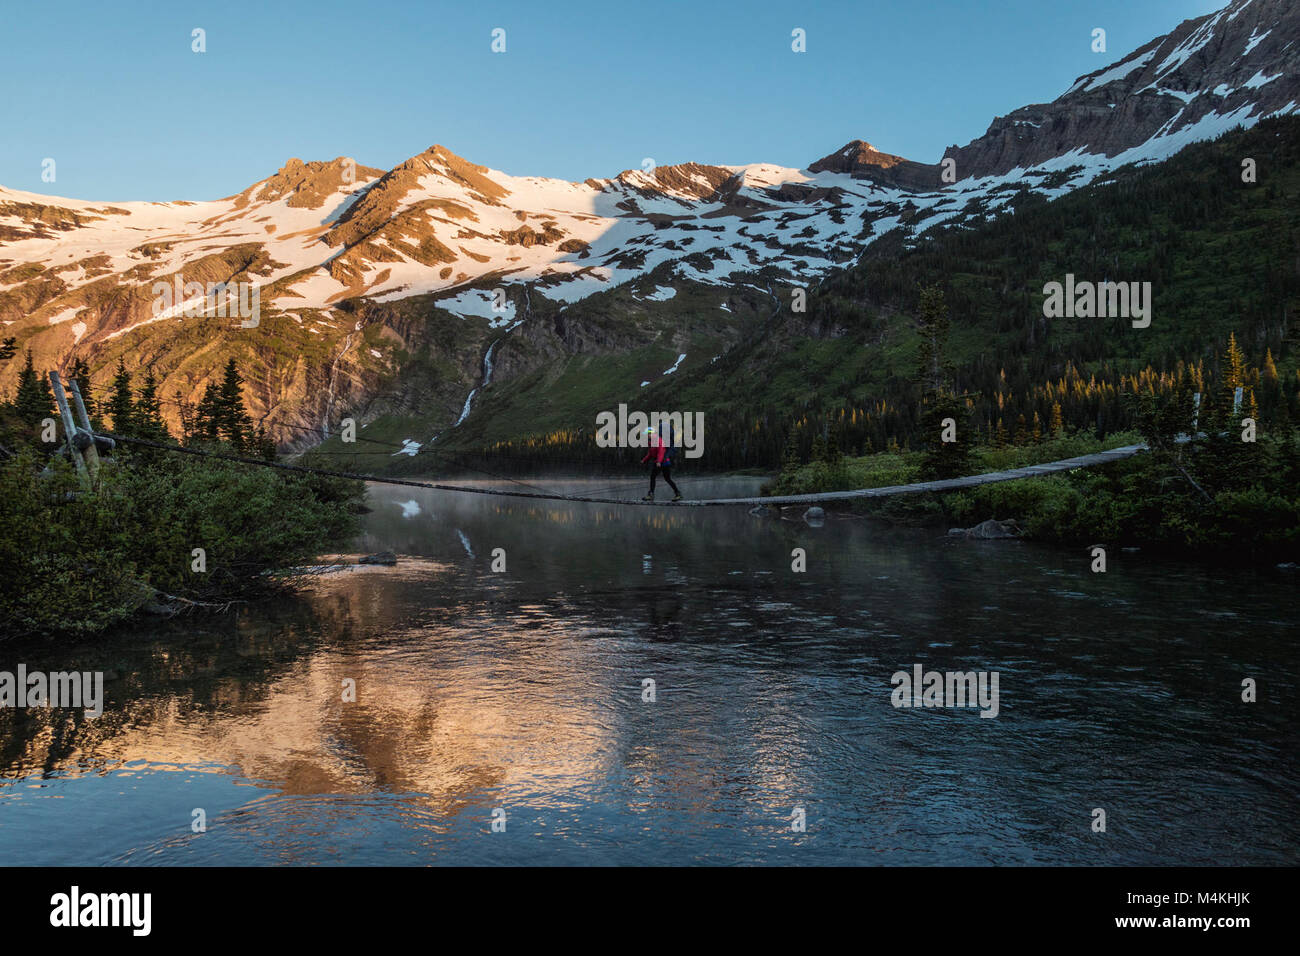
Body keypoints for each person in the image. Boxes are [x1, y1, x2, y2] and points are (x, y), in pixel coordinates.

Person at [640, 425, 682, 501]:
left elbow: (661, 451)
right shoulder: (651, 442)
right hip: (660, 462)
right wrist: (644, 460)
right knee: (665, 478)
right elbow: (650, 453)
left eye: (649, 434)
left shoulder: (658, 440)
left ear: (653, 433)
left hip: (663, 462)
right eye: (647, 434)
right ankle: (677, 493)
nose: (648, 435)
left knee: (658, 477)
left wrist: (659, 461)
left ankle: (651, 495)